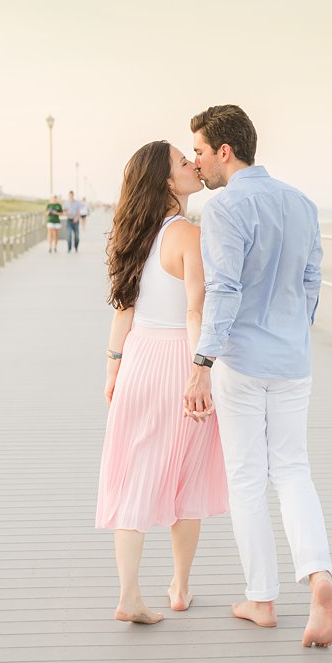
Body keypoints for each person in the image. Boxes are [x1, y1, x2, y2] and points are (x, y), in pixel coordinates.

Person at [183, 104, 332, 649]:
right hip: (293, 360)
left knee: (247, 477)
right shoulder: (301, 202)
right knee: (293, 470)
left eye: (200, 151)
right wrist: (296, 328)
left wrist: (202, 362)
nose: (197, 163)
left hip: (242, 361)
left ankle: (262, 599)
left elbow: (223, 290)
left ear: (225, 151)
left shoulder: (225, 208)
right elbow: (313, 277)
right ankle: (318, 575)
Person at [96, 142, 228, 624]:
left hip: (137, 359)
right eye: (181, 161)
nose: (194, 163)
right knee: (186, 475)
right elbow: (196, 311)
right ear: (168, 182)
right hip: (176, 357)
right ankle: (179, 585)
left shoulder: (133, 234)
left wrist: (113, 369)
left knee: (136, 473)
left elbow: (123, 311)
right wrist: (201, 370)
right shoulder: (188, 235)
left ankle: (129, 594)